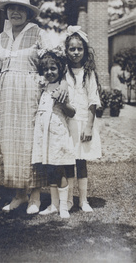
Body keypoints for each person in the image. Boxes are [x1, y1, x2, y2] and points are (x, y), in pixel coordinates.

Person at [0, 0, 64, 214]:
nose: (16, 12)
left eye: (20, 9)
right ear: (6, 12)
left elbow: (54, 61)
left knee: (30, 142)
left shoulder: (38, 33)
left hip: (30, 91)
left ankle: (35, 196)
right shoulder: (1, 38)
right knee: (11, 143)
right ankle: (19, 195)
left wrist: (55, 83)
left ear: (28, 12)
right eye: (11, 8)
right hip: (6, 94)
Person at [32, 48, 76, 218]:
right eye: (46, 70)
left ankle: (64, 206)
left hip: (57, 135)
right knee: (50, 169)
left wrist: (63, 103)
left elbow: (72, 112)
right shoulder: (43, 87)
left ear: (60, 69)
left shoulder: (63, 88)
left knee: (59, 169)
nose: (49, 72)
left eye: (53, 68)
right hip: (44, 135)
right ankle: (53, 204)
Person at [64, 25, 102, 212]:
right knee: (69, 161)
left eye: (79, 48)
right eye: (72, 48)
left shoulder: (89, 73)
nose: (76, 52)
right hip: (68, 123)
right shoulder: (64, 72)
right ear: (66, 50)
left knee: (81, 161)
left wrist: (89, 126)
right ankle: (69, 199)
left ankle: (83, 200)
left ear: (85, 51)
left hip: (83, 121)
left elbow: (93, 101)